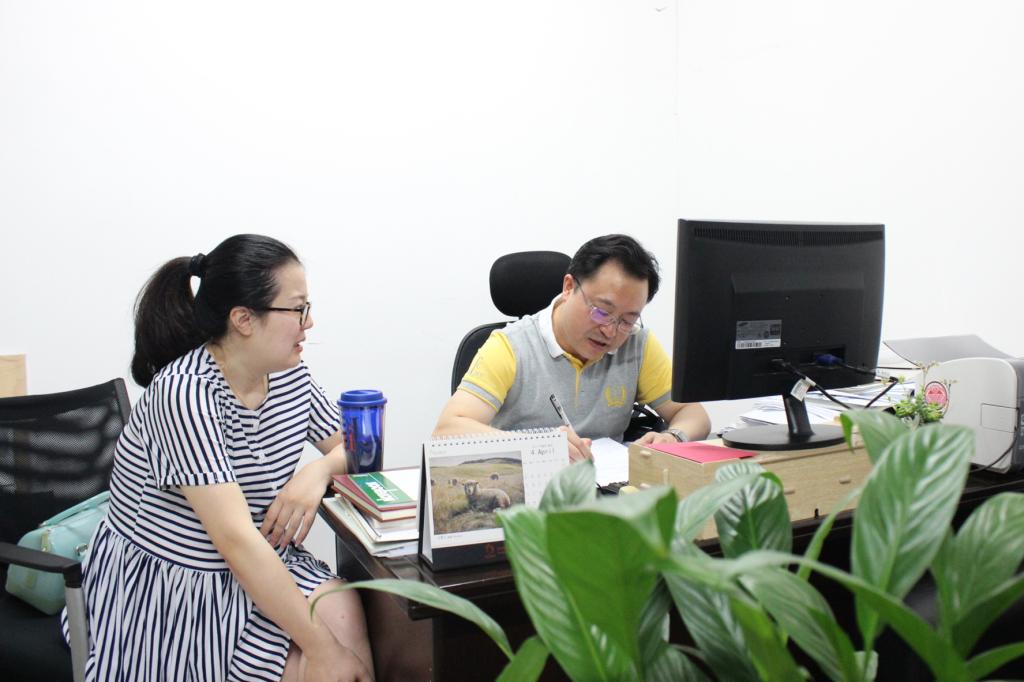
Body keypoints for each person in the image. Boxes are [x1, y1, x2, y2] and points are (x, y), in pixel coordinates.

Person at [64, 235, 373, 682]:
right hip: (180, 586)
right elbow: (235, 541)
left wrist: (318, 471)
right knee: (319, 660)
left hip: (260, 560)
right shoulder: (185, 394)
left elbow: (357, 446)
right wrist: (322, 650)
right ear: (243, 319)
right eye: (298, 309)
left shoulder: (289, 376)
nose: (309, 322)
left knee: (345, 610)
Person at [434, 234, 710, 461]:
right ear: (569, 287)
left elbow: (693, 414)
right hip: (530, 494)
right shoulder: (510, 347)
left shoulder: (637, 343)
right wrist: (540, 446)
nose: (610, 331)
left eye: (627, 320)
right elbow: (447, 430)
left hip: (608, 492)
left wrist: (673, 437)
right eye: (602, 312)